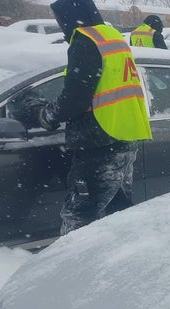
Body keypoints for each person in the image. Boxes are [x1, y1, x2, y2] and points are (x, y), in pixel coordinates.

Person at [35, 0, 152, 235]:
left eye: (60, 19)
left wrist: (49, 116)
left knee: (78, 217)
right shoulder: (111, 35)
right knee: (117, 209)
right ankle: (121, 256)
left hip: (99, 140)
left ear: (69, 16)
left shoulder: (85, 40)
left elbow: (76, 96)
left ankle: (73, 267)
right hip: (125, 134)